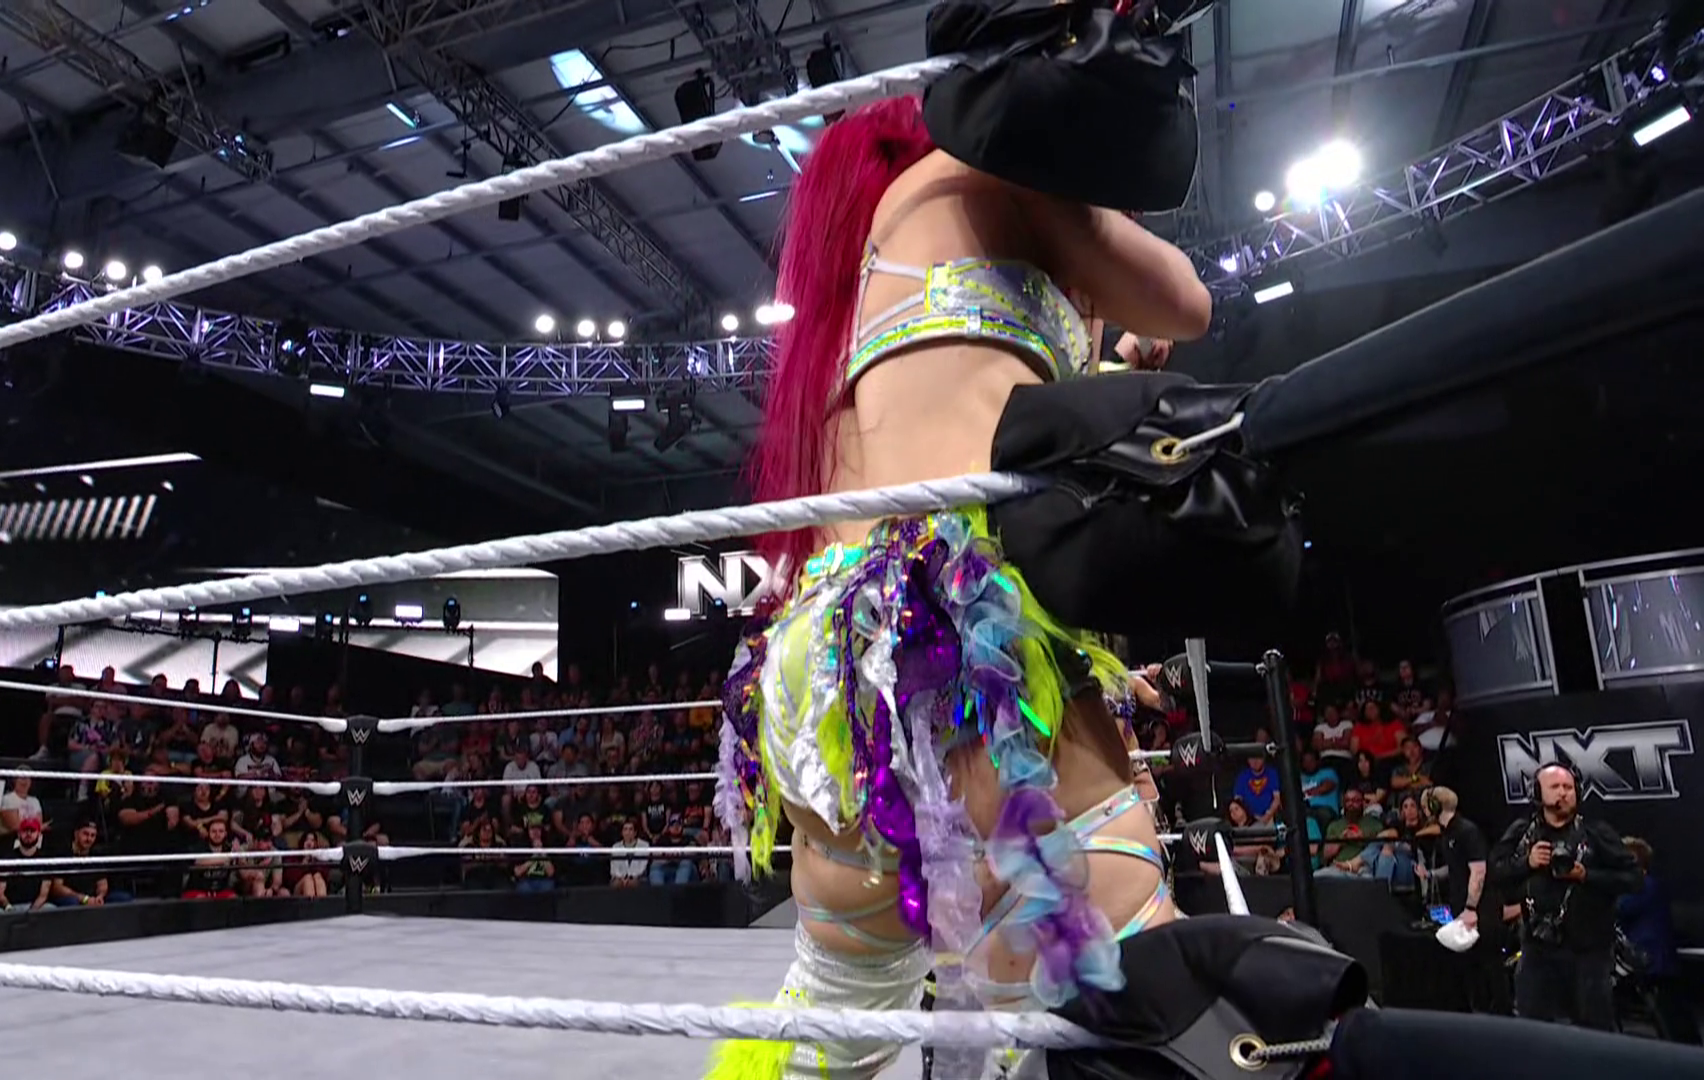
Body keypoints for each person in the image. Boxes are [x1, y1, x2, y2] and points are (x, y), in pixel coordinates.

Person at [698, 4, 1374, 1076]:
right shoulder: (995, 173)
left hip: (825, 686)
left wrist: (1095, 356)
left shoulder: (860, 307)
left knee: (829, 1027)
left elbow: (981, 416)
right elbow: (1187, 301)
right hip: (960, 653)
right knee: (1104, 1015)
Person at [1490, 763, 1641, 1030]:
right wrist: (1526, 863)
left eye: (1568, 787)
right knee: (1532, 1028)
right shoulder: (1523, 832)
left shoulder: (1596, 832)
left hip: (1589, 953)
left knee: (1594, 1030)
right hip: (1537, 949)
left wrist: (1586, 875)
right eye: (1555, 787)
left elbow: (1634, 878)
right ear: (1537, 792)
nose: (1563, 793)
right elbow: (1494, 872)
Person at [1421, 787, 1507, 1016]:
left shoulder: (1466, 831)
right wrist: (1431, 875)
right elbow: (1455, 867)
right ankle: (1478, 1013)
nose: (1424, 811)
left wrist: (1470, 908)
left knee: (1490, 966)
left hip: (1481, 910)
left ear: (1435, 806)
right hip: (1463, 909)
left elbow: (1478, 871)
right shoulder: (1447, 834)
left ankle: (1501, 1015)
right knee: (1472, 968)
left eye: (1425, 806)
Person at [1616, 837, 1701, 1044]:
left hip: (1652, 963)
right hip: (1642, 964)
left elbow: (1619, 908)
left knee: (1671, 1018)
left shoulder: (1645, 886)